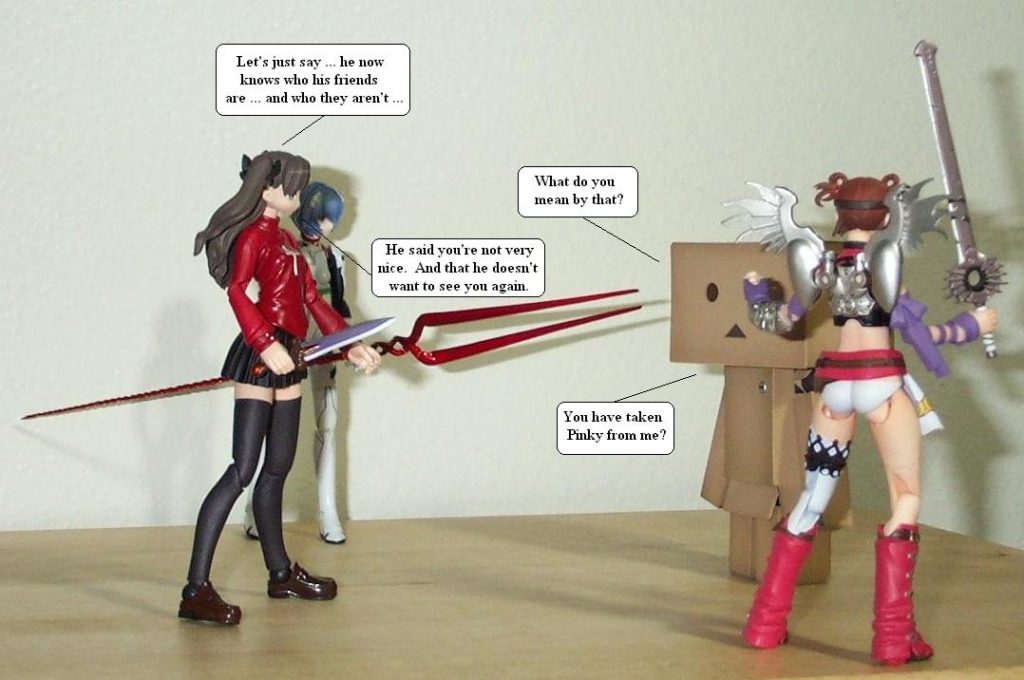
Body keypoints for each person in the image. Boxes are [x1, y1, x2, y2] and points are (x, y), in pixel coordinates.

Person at [732, 173, 997, 665]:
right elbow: (921, 335)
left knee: (811, 500)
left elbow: (782, 320)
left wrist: (755, 295)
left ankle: (764, 623)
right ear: (888, 215)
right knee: (905, 498)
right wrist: (971, 325)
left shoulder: (823, 269)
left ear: (838, 214)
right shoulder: (884, 263)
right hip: (883, 389)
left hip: (835, 391)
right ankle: (892, 637)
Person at [182, 151, 381, 625]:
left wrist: (348, 344)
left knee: (277, 469)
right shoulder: (253, 237)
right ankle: (195, 589)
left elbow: (311, 299)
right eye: (291, 188)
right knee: (242, 469)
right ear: (266, 188)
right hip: (261, 355)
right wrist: (263, 341)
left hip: (291, 354)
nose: (296, 196)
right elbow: (236, 290)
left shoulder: (289, 242)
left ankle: (280, 573)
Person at [243, 181, 351, 544]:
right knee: (269, 428)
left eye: (328, 222)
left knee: (328, 422)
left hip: (323, 341)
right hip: (289, 339)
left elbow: (335, 304)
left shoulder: (334, 257)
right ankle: (254, 510)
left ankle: (327, 510)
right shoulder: (284, 248)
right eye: (320, 219)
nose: (323, 229)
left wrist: (349, 344)